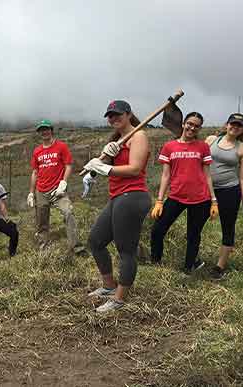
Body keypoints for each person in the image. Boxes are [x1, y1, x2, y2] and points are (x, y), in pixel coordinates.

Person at [83, 100, 151, 313]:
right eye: (110, 115)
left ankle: (119, 299)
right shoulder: (118, 141)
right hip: (117, 197)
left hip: (133, 196)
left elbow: (135, 169)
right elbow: (109, 168)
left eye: (117, 114)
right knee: (96, 240)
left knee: (126, 250)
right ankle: (108, 286)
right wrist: (95, 170)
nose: (113, 118)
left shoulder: (138, 136)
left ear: (129, 114)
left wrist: (105, 168)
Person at [149, 112, 219, 274]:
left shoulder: (203, 147)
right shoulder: (169, 146)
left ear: (199, 128)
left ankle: (188, 267)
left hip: (200, 198)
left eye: (196, 125)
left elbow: (207, 174)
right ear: (183, 124)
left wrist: (214, 200)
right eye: (190, 123)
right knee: (158, 230)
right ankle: (156, 262)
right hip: (176, 197)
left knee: (193, 235)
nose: (192, 127)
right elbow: (166, 175)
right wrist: (160, 200)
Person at [205, 113, 243, 279]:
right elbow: (199, 161)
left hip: (229, 191)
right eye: (232, 123)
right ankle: (192, 259)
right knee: (196, 223)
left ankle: (220, 266)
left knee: (228, 227)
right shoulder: (211, 140)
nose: (235, 127)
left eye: (239, 125)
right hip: (206, 189)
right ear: (226, 124)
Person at [27, 119, 78, 257]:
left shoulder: (61, 146)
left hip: (58, 189)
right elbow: (35, 172)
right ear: (39, 133)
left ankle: (76, 247)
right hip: (41, 190)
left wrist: (63, 182)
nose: (44, 132)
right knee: (41, 221)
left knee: (68, 213)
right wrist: (31, 193)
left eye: (46, 129)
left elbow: (68, 165)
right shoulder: (37, 151)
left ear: (51, 130)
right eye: (41, 130)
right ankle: (44, 248)